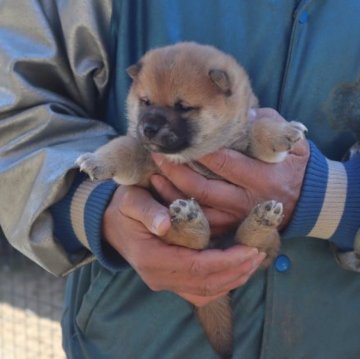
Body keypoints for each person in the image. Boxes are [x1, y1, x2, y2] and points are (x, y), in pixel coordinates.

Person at [1, 1, 360, 358]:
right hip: (137, 337)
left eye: (183, 108)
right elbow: (15, 115)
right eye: (145, 103)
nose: (154, 121)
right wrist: (92, 206)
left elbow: (261, 134)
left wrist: (336, 198)